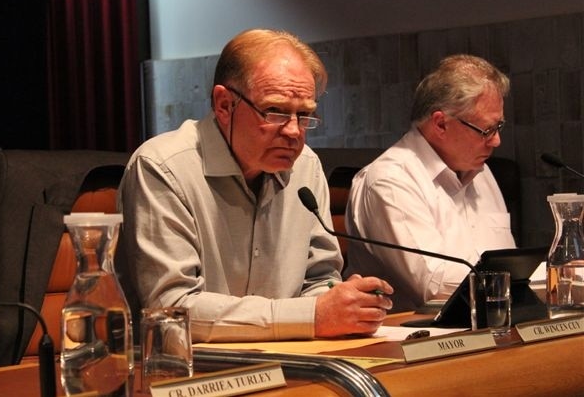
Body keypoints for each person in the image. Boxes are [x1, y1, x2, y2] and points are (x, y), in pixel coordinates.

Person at [118, 28, 393, 343]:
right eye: (275, 111)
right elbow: (171, 310)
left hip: (292, 359)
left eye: (304, 115)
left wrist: (346, 304)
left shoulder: (306, 167)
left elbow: (318, 280)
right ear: (224, 105)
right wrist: (311, 316)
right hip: (191, 375)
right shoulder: (162, 168)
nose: (293, 132)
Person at [344, 54, 516, 313]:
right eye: (486, 130)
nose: (496, 141)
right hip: (408, 343)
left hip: (484, 328)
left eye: (499, 126)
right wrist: (514, 282)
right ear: (440, 124)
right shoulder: (389, 180)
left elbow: (509, 263)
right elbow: (433, 289)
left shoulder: (481, 172)